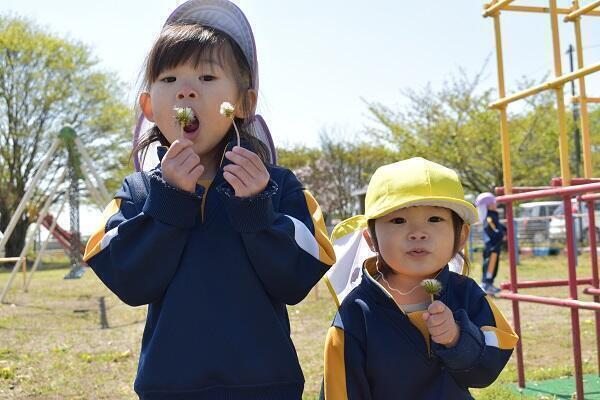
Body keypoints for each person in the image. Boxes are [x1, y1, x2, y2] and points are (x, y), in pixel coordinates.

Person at [83, 1, 335, 398]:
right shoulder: (138, 192)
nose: (185, 89)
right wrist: (166, 203)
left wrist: (256, 210)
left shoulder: (279, 186)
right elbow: (127, 281)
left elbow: (298, 279)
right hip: (170, 387)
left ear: (243, 104)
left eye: (206, 75)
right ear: (149, 107)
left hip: (266, 385)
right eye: (168, 79)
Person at [321, 158, 518, 399]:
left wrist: (457, 338)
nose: (417, 233)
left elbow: (486, 370)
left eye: (434, 219)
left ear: (462, 235)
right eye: (398, 220)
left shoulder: (467, 294)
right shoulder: (356, 313)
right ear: (371, 239)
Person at [475, 192, 506, 295]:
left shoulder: (493, 216)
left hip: (494, 247)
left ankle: (489, 284)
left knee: (493, 266)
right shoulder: (489, 218)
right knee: (490, 266)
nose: (495, 205)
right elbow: (493, 230)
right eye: (494, 203)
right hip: (492, 247)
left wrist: (504, 229)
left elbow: (499, 227)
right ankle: (486, 284)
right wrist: (501, 234)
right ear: (489, 205)